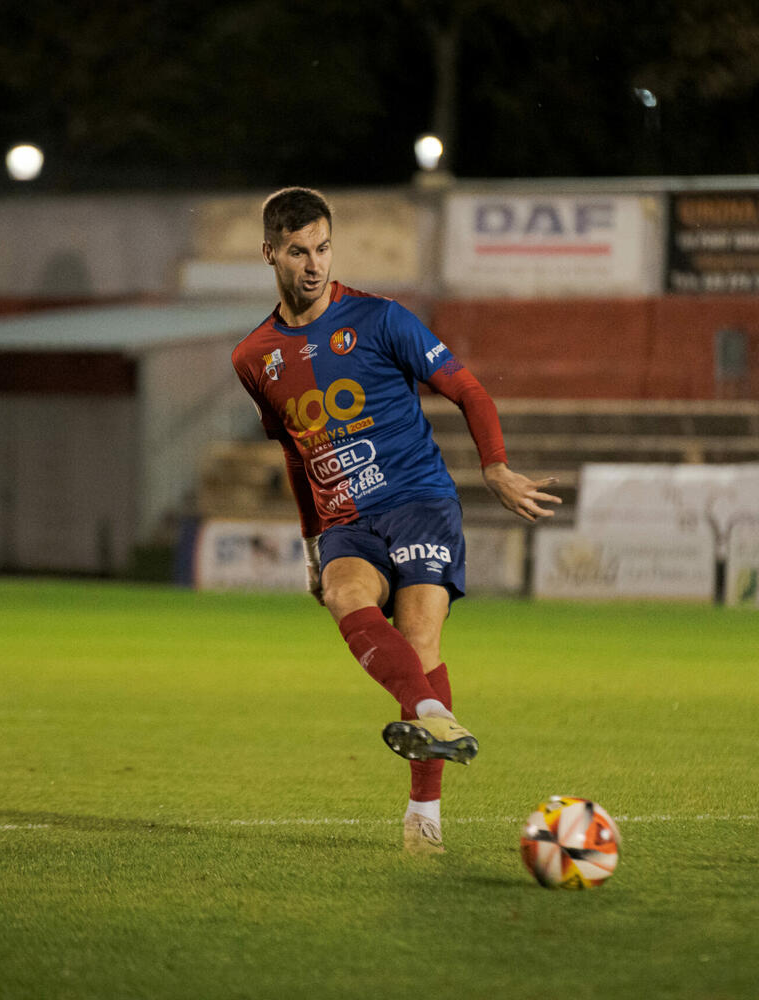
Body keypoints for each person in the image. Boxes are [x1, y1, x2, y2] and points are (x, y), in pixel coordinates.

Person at [231, 187, 562, 854]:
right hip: (344, 520)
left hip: (418, 501)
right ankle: (432, 713)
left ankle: (423, 818)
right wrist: (312, 545)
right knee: (344, 595)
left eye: (323, 248)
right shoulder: (252, 358)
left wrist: (495, 466)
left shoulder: (381, 319)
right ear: (269, 253)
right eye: (298, 252)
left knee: (418, 639)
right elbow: (296, 454)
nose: (314, 265)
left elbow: (467, 389)